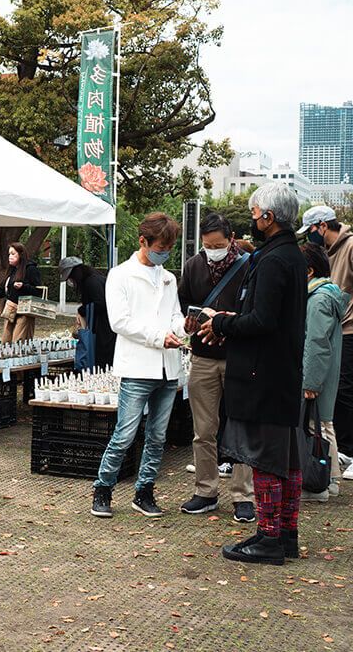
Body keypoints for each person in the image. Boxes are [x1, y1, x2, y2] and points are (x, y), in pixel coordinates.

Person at [198, 183, 306, 565]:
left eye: (255, 212)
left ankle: (269, 537)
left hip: (264, 374)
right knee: (287, 460)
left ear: (269, 217)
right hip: (280, 371)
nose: (253, 218)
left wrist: (222, 323)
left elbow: (262, 320)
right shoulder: (290, 255)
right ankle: (285, 534)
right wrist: (231, 321)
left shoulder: (274, 260)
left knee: (265, 460)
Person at [89, 213, 185, 520]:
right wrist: (159, 337)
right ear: (143, 241)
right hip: (137, 367)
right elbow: (120, 321)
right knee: (125, 434)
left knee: (157, 437)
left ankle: (144, 491)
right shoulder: (121, 275)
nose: (164, 253)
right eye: (160, 248)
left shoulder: (168, 277)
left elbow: (175, 315)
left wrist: (184, 328)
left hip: (168, 368)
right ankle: (103, 488)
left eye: (169, 248)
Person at [177, 213, 255, 523]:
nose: (213, 251)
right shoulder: (193, 266)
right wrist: (189, 321)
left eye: (218, 245)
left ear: (231, 238)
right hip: (202, 356)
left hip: (239, 355)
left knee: (241, 426)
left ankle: (244, 495)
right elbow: (182, 303)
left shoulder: (249, 265)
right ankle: (205, 490)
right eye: (208, 246)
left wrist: (225, 320)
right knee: (203, 429)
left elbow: (256, 311)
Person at [297, 205, 353, 482]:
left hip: (352, 327)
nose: (309, 237)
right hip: (331, 325)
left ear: (322, 226)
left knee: (346, 389)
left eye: (310, 231)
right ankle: (346, 447)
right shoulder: (325, 251)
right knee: (333, 390)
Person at [300, 243, 348, 501]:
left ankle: (323, 482)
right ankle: (330, 480)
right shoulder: (325, 295)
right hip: (321, 373)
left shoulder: (318, 300)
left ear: (309, 271)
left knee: (318, 426)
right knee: (321, 425)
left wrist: (311, 382)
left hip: (317, 374)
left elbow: (316, 343)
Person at [0, 243, 42, 342]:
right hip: (11, 310)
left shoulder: (30, 269)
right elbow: (2, 291)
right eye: (9, 254)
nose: (10, 257)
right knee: (6, 340)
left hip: (24, 311)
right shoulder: (12, 271)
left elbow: (38, 290)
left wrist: (23, 286)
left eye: (13, 254)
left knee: (19, 340)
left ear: (21, 255)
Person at [59, 256, 116, 370]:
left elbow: (100, 304)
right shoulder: (95, 278)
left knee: (102, 364)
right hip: (106, 328)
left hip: (104, 330)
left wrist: (82, 310)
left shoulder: (91, 282)